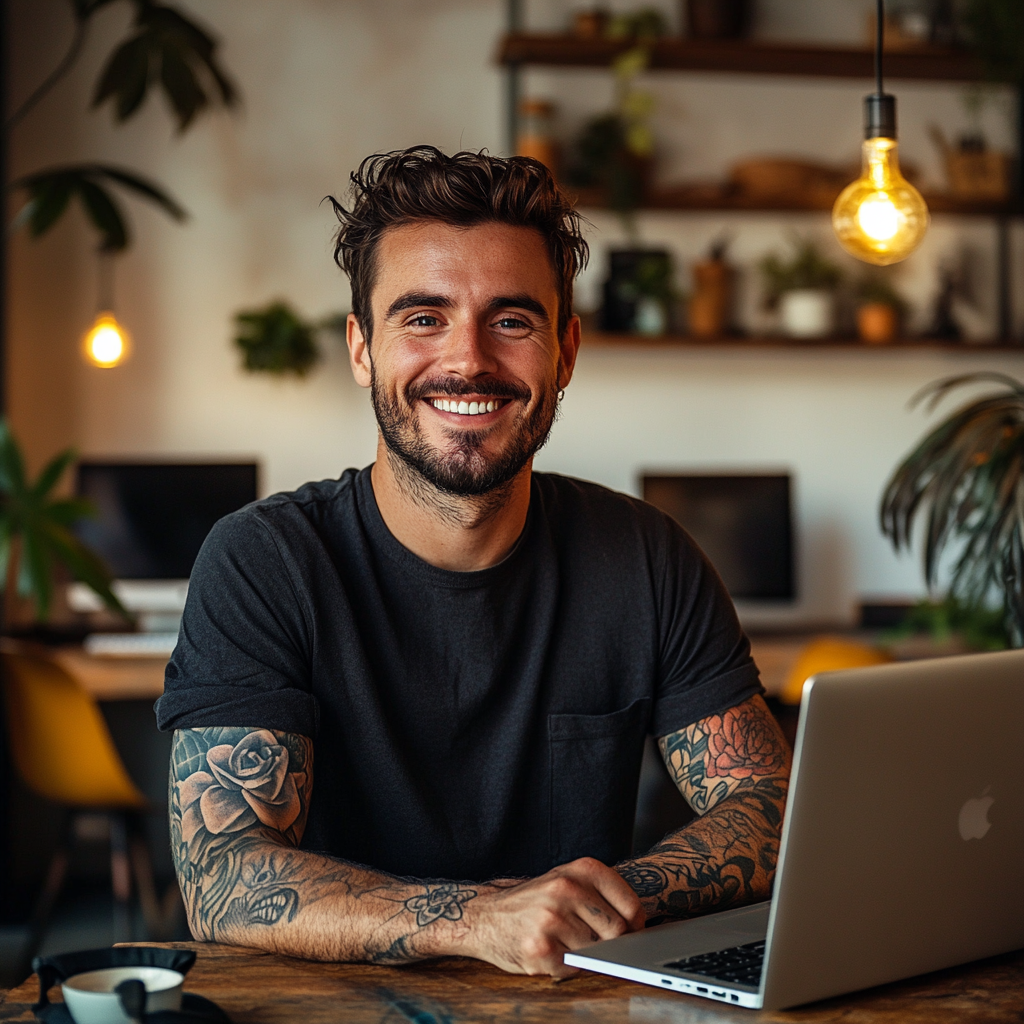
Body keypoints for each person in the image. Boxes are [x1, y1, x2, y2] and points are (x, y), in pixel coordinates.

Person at [156, 146, 791, 977]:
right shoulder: (264, 560)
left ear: (565, 351)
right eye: (423, 318)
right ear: (361, 348)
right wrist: (479, 919)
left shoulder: (647, 556)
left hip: (574, 998)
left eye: (512, 320)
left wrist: (581, 906)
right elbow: (223, 873)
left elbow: (769, 809)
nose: (468, 361)